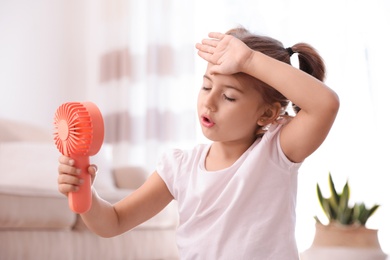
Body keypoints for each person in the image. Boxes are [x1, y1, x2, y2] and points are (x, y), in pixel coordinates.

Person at [57, 27, 339, 259]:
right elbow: (113, 222)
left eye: (229, 96)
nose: (209, 101)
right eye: (206, 86)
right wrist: (86, 195)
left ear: (267, 113)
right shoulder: (179, 167)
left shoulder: (277, 151)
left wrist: (250, 60)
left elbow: (325, 104)